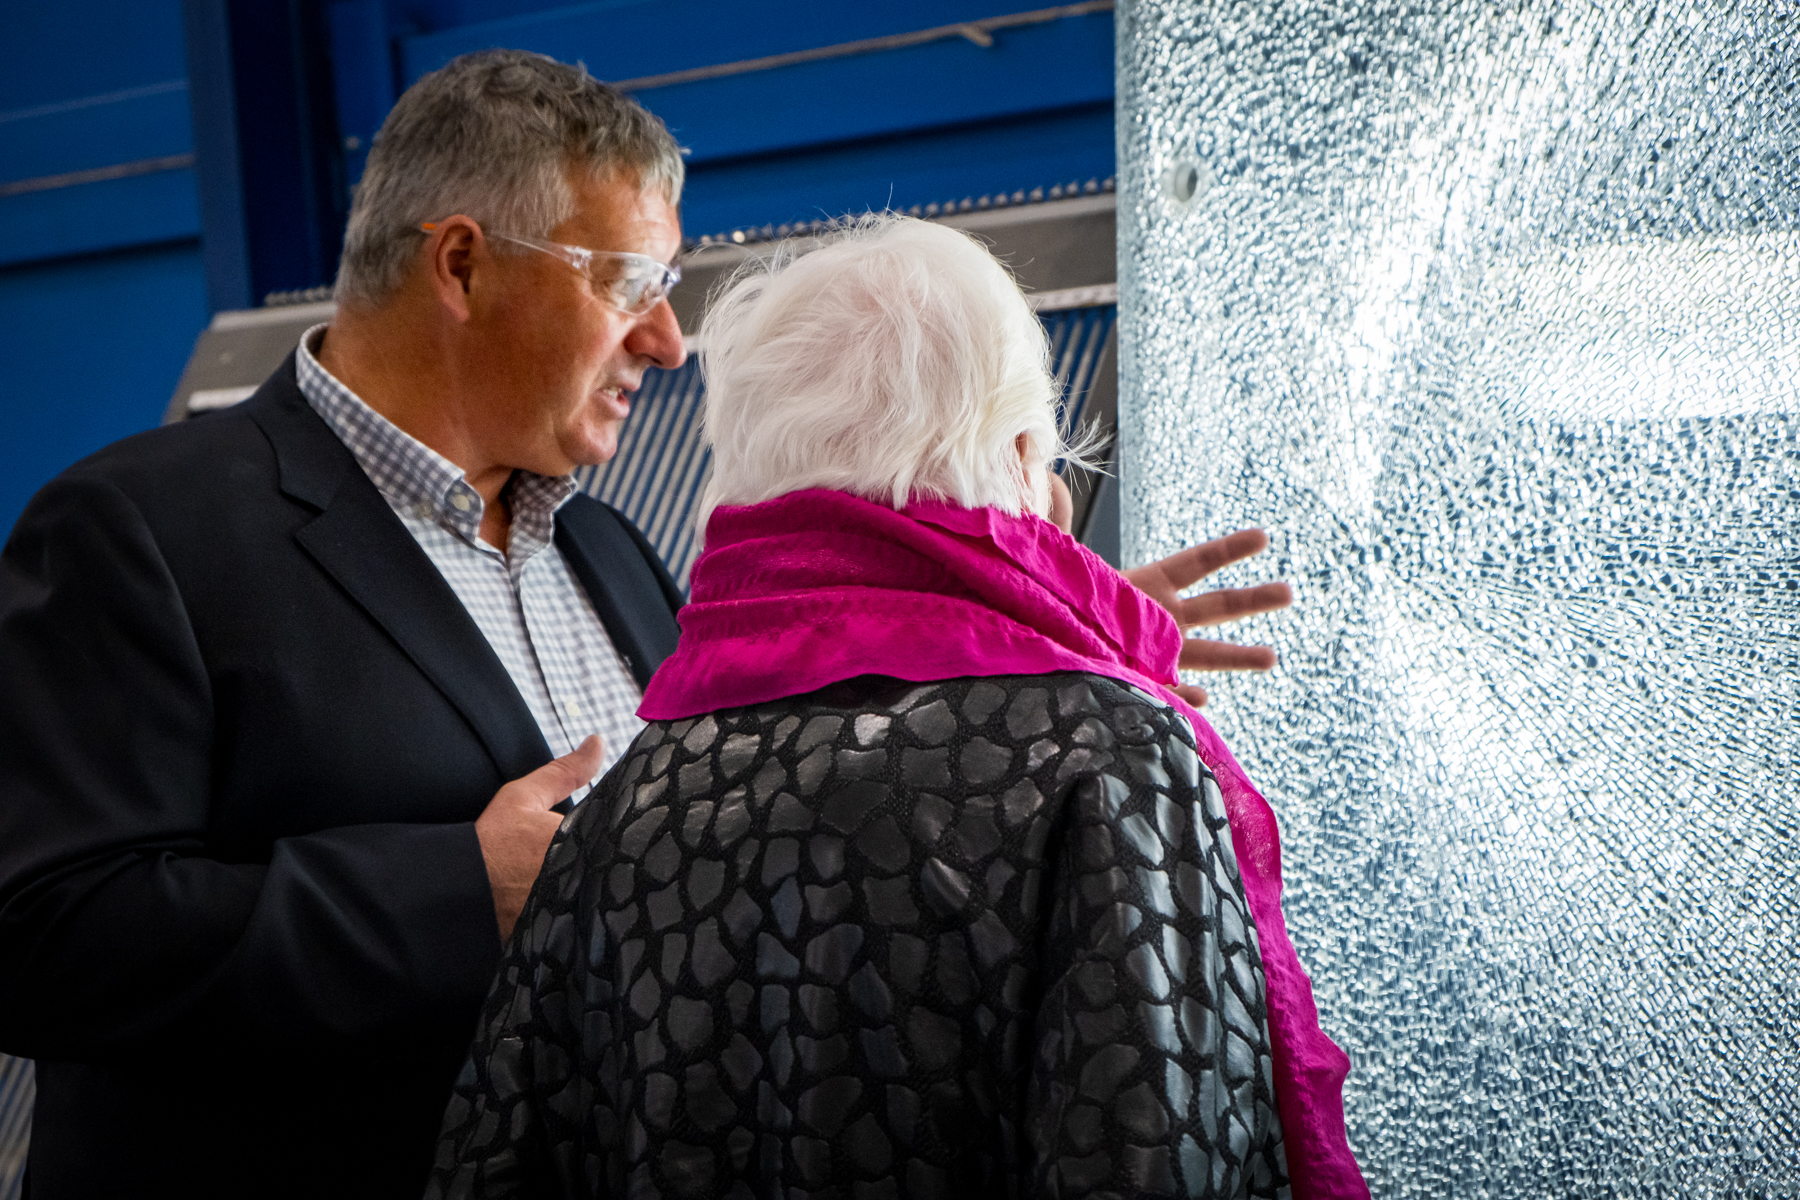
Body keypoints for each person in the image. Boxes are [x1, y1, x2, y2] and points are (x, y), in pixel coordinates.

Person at [0, 50, 1292, 1200]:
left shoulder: (612, 553)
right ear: (460, 264)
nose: (672, 342)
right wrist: (459, 892)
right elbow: (40, 934)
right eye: (631, 281)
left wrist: (1025, 623)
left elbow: (782, 788)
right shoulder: (143, 530)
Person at [427, 217, 1367, 1197]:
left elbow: (497, 1162)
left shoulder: (633, 797)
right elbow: (1164, 1147)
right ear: (1016, 459)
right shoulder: (1105, 766)